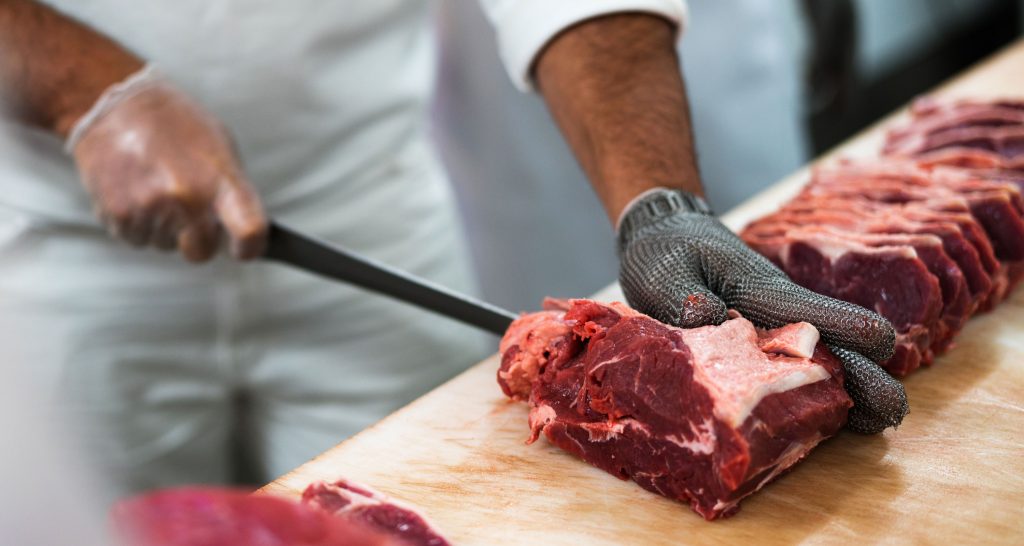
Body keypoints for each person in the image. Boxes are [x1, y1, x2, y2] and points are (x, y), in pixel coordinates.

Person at [0, 0, 904, 499]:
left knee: (438, 508)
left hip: (364, 204)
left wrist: (658, 204)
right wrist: (89, 92)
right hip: (61, 244)